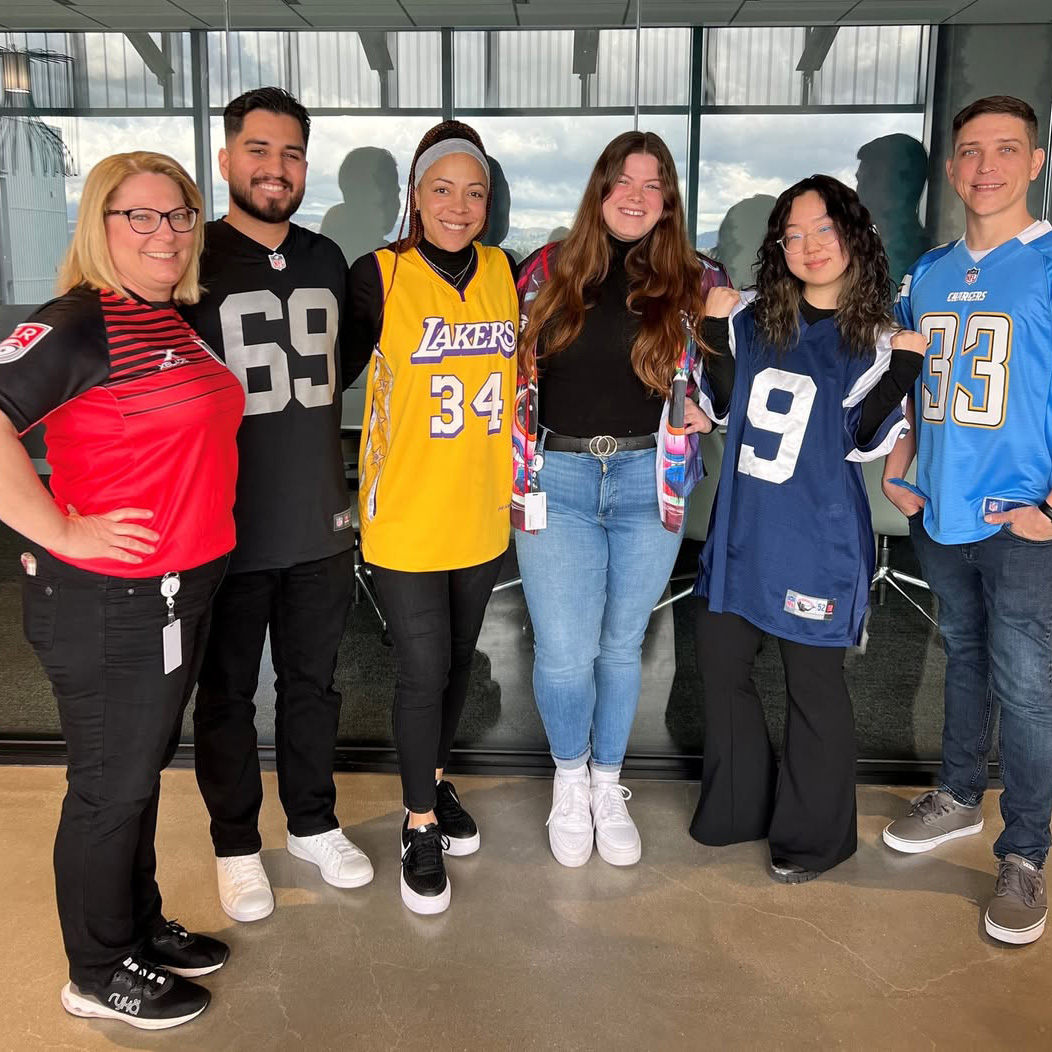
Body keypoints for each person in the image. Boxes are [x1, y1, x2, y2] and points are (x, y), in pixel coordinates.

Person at [0, 152, 245, 1028]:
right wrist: (60, 530)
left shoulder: (171, 318)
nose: (167, 234)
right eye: (139, 216)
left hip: (180, 587)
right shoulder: (80, 322)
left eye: (179, 215)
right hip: (111, 602)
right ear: (100, 227)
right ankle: (97, 970)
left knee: (135, 778)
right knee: (110, 788)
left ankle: (137, 930)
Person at [688, 175, 926, 882]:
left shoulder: (878, 337)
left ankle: (815, 838)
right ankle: (739, 807)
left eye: (823, 230)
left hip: (817, 539)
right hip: (743, 530)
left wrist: (905, 366)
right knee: (722, 667)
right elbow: (725, 408)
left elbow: (861, 437)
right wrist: (711, 330)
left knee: (811, 689)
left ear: (853, 236)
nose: (808, 246)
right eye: (792, 235)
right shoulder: (755, 316)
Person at [182, 88, 371, 924]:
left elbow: (349, 363)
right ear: (225, 160)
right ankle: (233, 843)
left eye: (292, 153)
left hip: (320, 520)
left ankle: (312, 822)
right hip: (224, 526)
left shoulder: (330, 258)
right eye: (259, 150)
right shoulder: (190, 262)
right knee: (224, 693)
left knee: (312, 685)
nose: (276, 167)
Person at [512, 131, 727, 870]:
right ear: (599, 188)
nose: (635, 196)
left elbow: (744, 372)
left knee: (621, 645)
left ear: (669, 198)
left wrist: (712, 411)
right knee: (566, 654)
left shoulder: (700, 279)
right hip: (557, 480)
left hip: (649, 480)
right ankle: (569, 780)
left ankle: (610, 783)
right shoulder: (543, 270)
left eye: (652, 183)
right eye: (621, 181)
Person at [882, 95, 1052, 946]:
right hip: (942, 513)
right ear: (951, 170)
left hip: (1022, 522)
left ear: (1036, 162)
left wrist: (1050, 508)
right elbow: (915, 386)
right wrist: (903, 467)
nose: (987, 166)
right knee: (965, 657)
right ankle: (956, 795)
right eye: (972, 152)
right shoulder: (929, 272)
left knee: (1027, 687)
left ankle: (1025, 852)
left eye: (1006, 149)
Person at [348, 120, 517, 915]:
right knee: (422, 668)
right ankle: (419, 825)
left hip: (480, 513)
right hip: (406, 516)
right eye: (441, 188)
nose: (458, 205)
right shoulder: (377, 275)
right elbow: (323, 384)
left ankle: (436, 780)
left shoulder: (504, 271)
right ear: (415, 197)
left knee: (456, 664)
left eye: (474, 191)